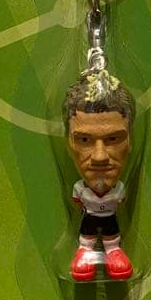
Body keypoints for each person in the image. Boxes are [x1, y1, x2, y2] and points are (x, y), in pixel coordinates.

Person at [63, 68, 134, 282]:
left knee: (112, 235)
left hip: (110, 224)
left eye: (113, 139)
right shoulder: (81, 189)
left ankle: (114, 252)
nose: (100, 157)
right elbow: (78, 202)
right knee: (87, 235)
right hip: (89, 223)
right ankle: (85, 252)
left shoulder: (118, 190)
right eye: (84, 140)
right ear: (68, 144)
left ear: (131, 141)